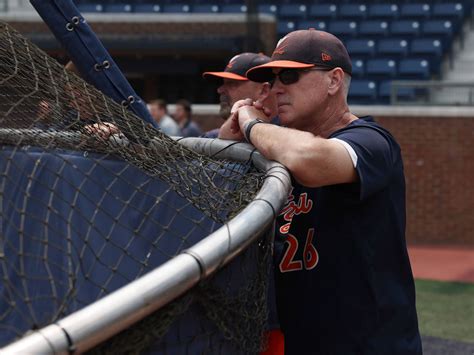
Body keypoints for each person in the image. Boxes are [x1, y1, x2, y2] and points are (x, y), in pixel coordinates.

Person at [220, 29, 422, 354]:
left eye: (290, 75)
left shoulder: (372, 141)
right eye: (272, 78)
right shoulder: (276, 150)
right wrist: (228, 142)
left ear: (334, 80)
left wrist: (251, 123)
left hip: (370, 345)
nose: (277, 87)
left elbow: (309, 159)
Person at [202, 52, 278, 138]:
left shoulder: (288, 136)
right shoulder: (212, 136)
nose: (220, 90)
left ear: (263, 91)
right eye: (222, 83)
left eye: (232, 84)